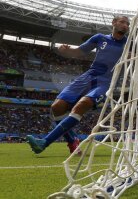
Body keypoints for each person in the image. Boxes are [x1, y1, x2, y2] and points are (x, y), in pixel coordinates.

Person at [26, 15, 130, 154]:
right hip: (88, 76)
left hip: (106, 82)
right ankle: (72, 141)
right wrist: (66, 50)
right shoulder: (99, 38)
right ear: (114, 23)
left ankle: (44, 142)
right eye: (122, 22)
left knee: (81, 105)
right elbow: (80, 51)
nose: (125, 25)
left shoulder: (129, 43)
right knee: (57, 107)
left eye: (127, 24)